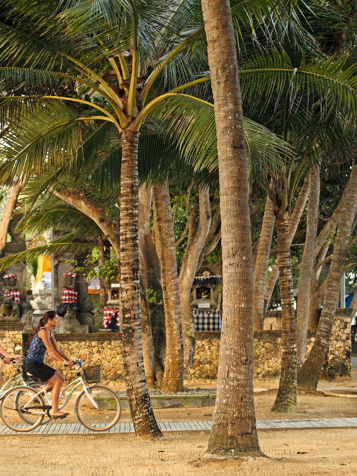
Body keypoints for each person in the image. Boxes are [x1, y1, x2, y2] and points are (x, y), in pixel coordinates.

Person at [23, 310, 74, 418]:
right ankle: (54, 410)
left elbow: (58, 348)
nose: (58, 321)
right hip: (33, 364)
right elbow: (50, 350)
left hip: (37, 363)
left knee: (61, 378)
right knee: (57, 382)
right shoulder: (43, 331)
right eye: (56, 319)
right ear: (50, 320)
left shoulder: (49, 332)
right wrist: (62, 362)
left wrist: (69, 360)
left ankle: (38, 396)